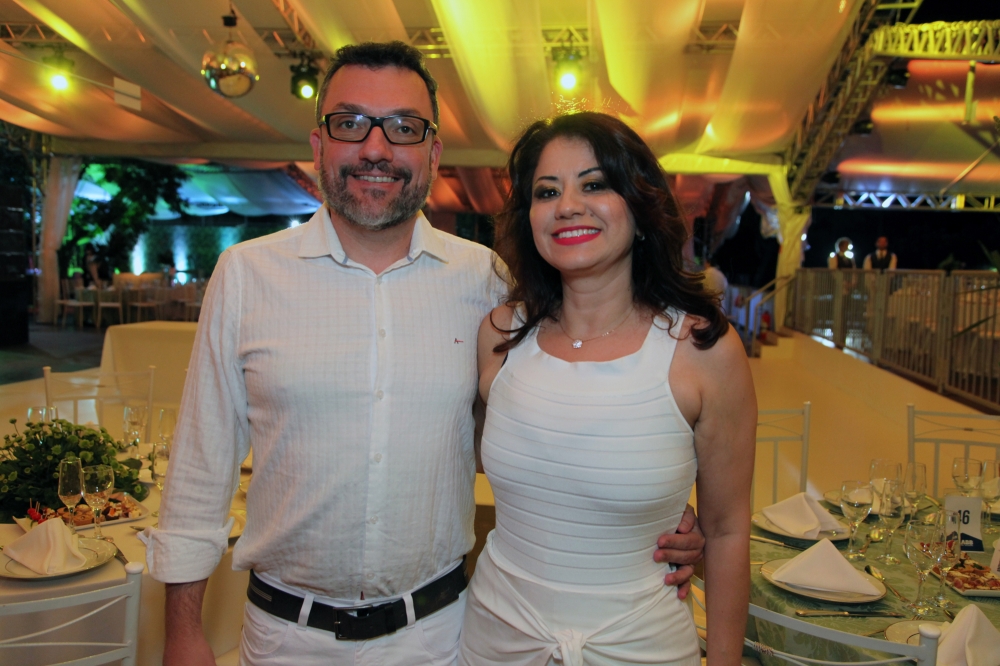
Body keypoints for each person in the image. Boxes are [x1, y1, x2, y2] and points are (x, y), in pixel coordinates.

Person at [143, 42, 706, 666]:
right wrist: (183, 633)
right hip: (284, 639)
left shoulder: (486, 282)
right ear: (318, 145)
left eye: (404, 128)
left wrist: (647, 512)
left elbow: (539, 431)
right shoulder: (247, 274)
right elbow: (199, 468)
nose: (375, 148)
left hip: (439, 638)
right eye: (350, 123)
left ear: (433, 153)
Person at [461, 113, 756, 665]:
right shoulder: (500, 335)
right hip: (496, 640)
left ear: (640, 209)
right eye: (548, 191)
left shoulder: (702, 350)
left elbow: (727, 531)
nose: (568, 205)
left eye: (594, 184)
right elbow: (498, 460)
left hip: (641, 645)